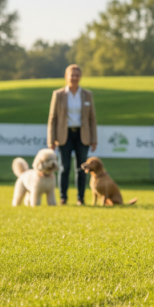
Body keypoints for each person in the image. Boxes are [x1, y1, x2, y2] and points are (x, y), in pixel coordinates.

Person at [47, 64, 97, 206]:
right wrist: (51, 139)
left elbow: (92, 118)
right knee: (64, 167)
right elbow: (52, 118)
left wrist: (94, 139)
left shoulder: (87, 94)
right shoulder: (58, 94)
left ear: (80, 77)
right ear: (66, 76)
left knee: (82, 168)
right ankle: (63, 197)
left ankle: (80, 198)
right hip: (64, 134)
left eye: (77, 75)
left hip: (83, 134)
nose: (74, 78)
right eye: (72, 75)